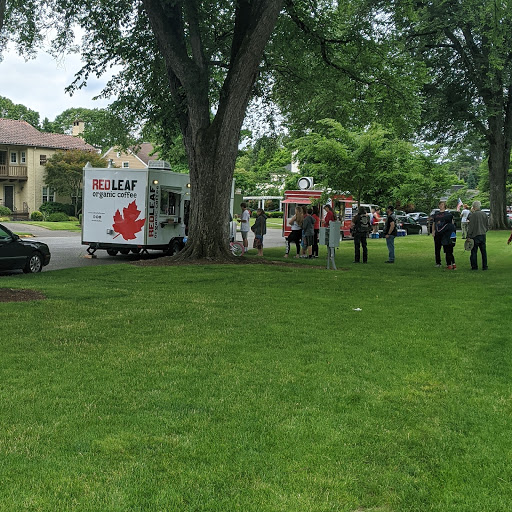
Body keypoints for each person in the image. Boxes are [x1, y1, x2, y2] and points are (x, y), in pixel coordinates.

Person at [467, 200, 489, 270]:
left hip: (475, 235)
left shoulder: (473, 215)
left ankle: (474, 266)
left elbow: (471, 227)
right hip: (482, 234)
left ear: (474, 207)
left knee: (474, 252)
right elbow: (487, 225)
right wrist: (484, 230)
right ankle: (485, 266)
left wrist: (468, 236)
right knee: (483, 252)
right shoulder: (484, 214)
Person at [431, 201, 453, 267]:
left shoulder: (448, 214)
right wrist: (433, 231)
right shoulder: (436, 214)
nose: (441, 206)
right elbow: (434, 223)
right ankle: (438, 262)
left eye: (442, 204)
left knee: (446, 248)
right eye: (440, 204)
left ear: (445, 206)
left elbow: (451, 223)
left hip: (445, 233)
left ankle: (448, 263)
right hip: (437, 233)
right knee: (437, 248)